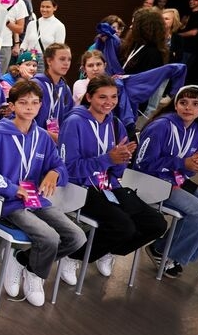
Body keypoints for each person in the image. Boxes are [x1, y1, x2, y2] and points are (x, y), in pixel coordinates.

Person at [0, 80, 87, 303]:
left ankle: (23, 261)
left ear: (41, 106)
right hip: (6, 200)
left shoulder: (42, 137)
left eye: (34, 103)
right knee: (49, 237)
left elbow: (60, 165)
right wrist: (12, 188)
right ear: (12, 106)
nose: (29, 107)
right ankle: (36, 274)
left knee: (77, 236)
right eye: (23, 103)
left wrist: (54, 174)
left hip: (35, 200)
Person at [57, 75, 167, 283]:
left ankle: (106, 249)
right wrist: (108, 158)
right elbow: (68, 169)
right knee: (123, 226)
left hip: (109, 186)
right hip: (79, 187)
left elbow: (115, 171)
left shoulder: (115, 124)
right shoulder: (74, 122)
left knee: (156, 224)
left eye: (114, 97)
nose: (109, 102)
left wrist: (122, 160)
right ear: (89, 97)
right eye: (102, 97)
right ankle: (73, 256)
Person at [134, 85, 198, 278]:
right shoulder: (161, 126)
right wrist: (181, 163)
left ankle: (177, 254)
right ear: (176, 105)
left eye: (196, 104)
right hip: (151, 181)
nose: (189, 107)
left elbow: (188, 171)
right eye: (183, 102)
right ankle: (161, 250)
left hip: (176, 181)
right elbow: (141, 164)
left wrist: (194, 166)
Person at [34, 43, 75, 143]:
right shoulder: (36, 85)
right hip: (35, 142)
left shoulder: (65, 88)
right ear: (49, 61)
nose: (66, 63)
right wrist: (49, 135)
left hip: (55, 145)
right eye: (62, 59)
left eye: (69, 59)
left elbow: (68, 117)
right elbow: (24, 119)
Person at [6, 0, 45, 71]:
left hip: (22, 42)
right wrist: (17, 44)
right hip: (17, 42)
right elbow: (16, 21)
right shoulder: (24, 0)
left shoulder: (27, 1)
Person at [24, 0, 65, 73]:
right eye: (42, 6)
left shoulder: (59, 26)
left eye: (48, 7)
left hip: (45, 60)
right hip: (29, 59)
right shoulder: (32, 23)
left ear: (55, 8)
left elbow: (59, 50)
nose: (44, 9)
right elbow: (25, 42)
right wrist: (22, 52)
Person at [121, 8, 169, 75]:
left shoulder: (153, 54)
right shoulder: (135, 43)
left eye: (134, 24)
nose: (131, 26)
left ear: (144, 28)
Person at [176, 0, 198, 68]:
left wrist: (177, 35)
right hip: (180, 47)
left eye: (195, 0)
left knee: (179, 71)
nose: (192, 1)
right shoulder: (188, 12)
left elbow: (194, 32)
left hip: (188, 49)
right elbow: (181, 26)